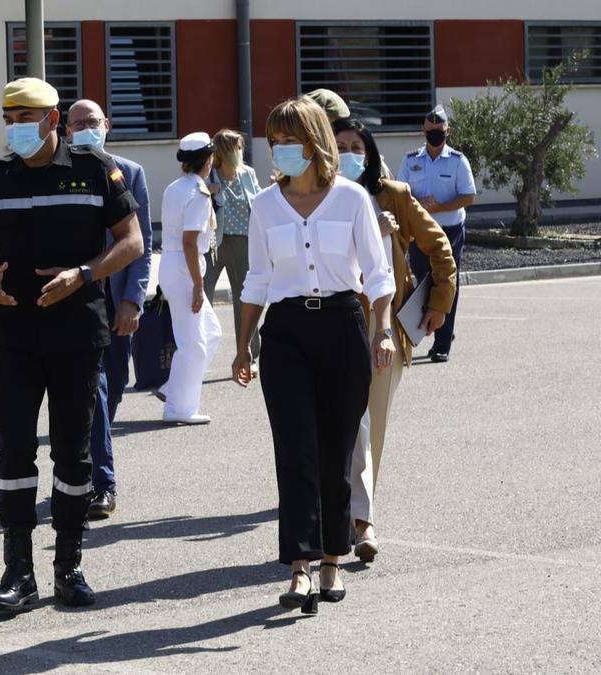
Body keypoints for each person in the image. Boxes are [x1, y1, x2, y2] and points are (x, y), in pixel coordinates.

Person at [0, 78, 142, 612]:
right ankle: (19, 571)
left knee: (73, 451)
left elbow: (132, 240)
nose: (15, 128)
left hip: (78, 332)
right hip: (15, 334)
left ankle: (69, 567)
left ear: (52, 119)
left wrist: (83, 274)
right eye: (8, 118)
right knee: (14, 448)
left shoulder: (94, 169)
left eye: (25, 118)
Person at [232, 98, 396, 615]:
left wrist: (384, 331)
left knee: (336, 450)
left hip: (343, 325)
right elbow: (256, 278)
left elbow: (378, 274)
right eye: (273, 142)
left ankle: (331, 561)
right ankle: (298, 568)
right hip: (285, 333)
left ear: (313, 142)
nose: (279, 151)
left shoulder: (350, 199)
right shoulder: (263, 205)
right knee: (295, 450)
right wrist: (242, 344)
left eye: (289, 142)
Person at [334, 118, 458, 562]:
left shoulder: (395, 195)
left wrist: (440, 302)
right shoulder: (312, 198)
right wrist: (374, 231)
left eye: (356, 147)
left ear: (368, 153)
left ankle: (356, 515)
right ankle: (357, 520)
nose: (349, 154)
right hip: (333, 322)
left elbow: (439, 245)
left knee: (372, 424)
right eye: (340, 146)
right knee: (350, 424)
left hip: (383, 325)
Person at [64, 98, 153, 520]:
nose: (84, 129)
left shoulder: (131, 174)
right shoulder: (58, 175)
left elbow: (142, 245)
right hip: (80, 301)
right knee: (95, 388)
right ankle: (102, 482)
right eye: (76, 124)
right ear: (65, 131)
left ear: (107, 126)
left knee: (113, 386)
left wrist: (134, 299)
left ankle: (91, 452)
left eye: (91, 122)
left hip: (118, 300)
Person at [396, 104, 476, 363]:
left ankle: (442, 344)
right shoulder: (411, 160)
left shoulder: (457, 160)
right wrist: (416, 210)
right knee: (422, 280)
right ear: (423, 130)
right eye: (430, 130)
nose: (434, 134)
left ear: (447, 131)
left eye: (439, 130)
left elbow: (468, 196)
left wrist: (438, 206)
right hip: (421, 231)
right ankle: (439, 328)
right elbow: (401, 194)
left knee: (446, 282)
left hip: (450, 229)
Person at [158, 132, 224, 425]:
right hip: (186, 267)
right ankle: (179, 408)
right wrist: (198, 285)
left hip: (174, 265)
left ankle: (173, 387)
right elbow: (189, 242)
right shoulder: (198, 193)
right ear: (208, 160)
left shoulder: (176, 186)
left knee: (212, 333)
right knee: (193, 343)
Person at [204, 129, 263, 365]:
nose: (240, 152)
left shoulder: (247, 174)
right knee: (202, 296)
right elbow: (190, 198)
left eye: (240, 147)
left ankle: (249, 354)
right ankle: (199, 355)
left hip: (242, 242)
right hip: (213, 244)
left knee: (245, 300)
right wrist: (206, 193)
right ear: (223, 151)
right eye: (235, 148)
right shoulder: (209, 175)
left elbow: (259, 200)